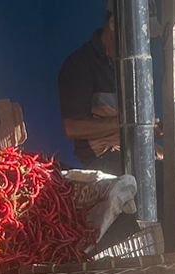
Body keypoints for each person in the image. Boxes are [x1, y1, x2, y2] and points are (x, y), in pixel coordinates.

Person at [58, 5, 123, 173]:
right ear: (113, 24)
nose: (144, 42)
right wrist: (127, 123)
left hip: (132, 150)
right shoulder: (79, 65)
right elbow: (72, 127)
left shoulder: (129, 65)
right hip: (102, 159)